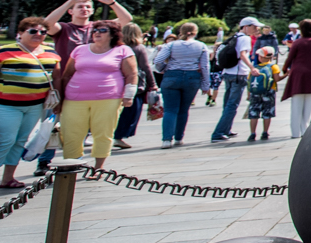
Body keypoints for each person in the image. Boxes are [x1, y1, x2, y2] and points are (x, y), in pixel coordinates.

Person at [0, 18, 57, 193]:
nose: (38, 34)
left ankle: (8, 178)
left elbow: (57, 77)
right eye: (33, 31)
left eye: (42, 32)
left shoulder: (50, 52)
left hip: (34, 105)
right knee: (5, 140)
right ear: (21, 33)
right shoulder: (3, 51)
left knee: (20, 140)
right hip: (3, 105)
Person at [56, 20, 135, 169]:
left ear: (113, 34)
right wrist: (60, 98)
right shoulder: (80, 50)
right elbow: (67, 75)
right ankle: (71, 166)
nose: (97, 33)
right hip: (74, 98)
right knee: (70, 133)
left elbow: (131, 74)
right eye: (95, 31)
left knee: (103, 133)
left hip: (108, 98)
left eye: (102, 30)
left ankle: (98, 168)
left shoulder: (122, 50)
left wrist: (129, 95)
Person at [151, 22, 212, 145]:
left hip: (172, 76)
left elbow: (158, 60)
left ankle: (166, 139)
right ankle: (179, 138)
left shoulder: (171, 45)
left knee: (170, 110)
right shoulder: (201, 46)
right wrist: (206, 84)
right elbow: (205, 66)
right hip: (192, 77)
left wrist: (163, 68)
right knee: (184, 109)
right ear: (195, 32)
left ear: (181, 32)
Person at [211, 18, 260, 142]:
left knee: (227, 104)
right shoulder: (245, 38)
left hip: (228, 73)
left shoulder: (234, 37)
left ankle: (226, 129)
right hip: (239, 74)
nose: (256, 29)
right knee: (232, 105)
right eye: (254, 27)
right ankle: (218, 133)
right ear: (246, 26)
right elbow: (243, 55)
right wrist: (252, 68)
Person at [112, 22, 156, 150]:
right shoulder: (139, 48)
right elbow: (146, 67)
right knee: (131, 112)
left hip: (117, 82)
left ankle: (112, 134)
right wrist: (152, 84)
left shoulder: (116, 46)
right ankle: (119, 136)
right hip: (135, 84)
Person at [281, 20, 311, 137]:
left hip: (299, 73)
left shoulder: (298, 42)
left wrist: (285, 69)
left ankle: (295, 132)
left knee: (297, 104)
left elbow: (290, 58)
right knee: (309, 104)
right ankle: (305, 130)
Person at [246, 46, 279, 140]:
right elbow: (277, 79)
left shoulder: (254, 69)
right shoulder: (273, 67)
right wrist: (285, 75)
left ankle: (252, 133)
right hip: (269, 92)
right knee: (267, 112)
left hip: (255, 93)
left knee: (254, 112)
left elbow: (249, 82)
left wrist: (248, 95)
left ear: (260, 57)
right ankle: (265, 132)